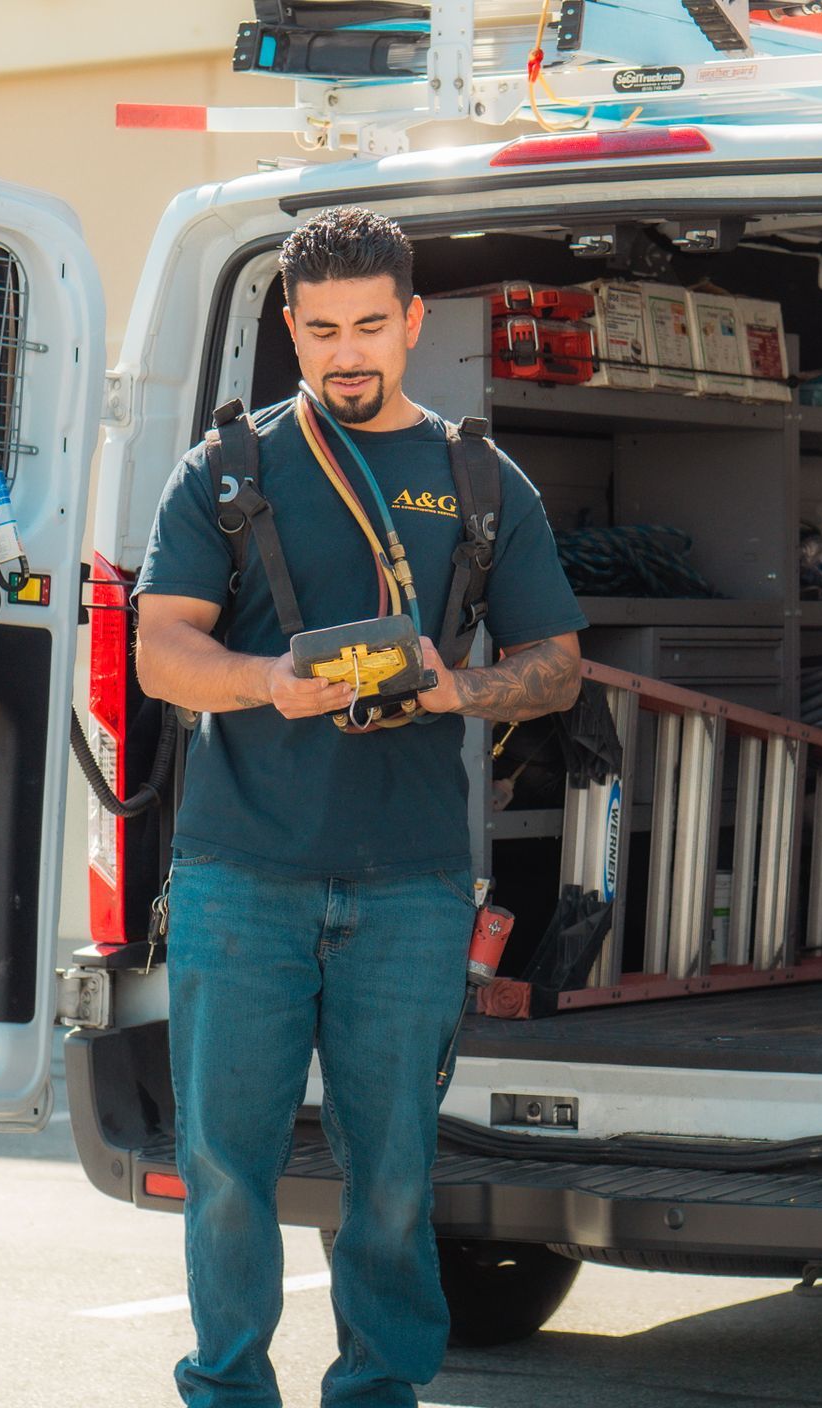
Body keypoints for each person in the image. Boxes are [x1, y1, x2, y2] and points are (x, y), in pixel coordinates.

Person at [132, 206, 587, 1408]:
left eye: (370, 326)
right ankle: (227, 1391)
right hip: (240, 878)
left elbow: (556, 664)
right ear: (288, 327)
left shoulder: (481, 478)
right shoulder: (225, 471)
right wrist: (266, 684)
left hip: (412, 888)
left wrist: (461, 684)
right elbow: (160, 652)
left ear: (412, 324)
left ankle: (380, 1393)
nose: (347, 351)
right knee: (227, 1167)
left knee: (392, 1172)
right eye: (322, 328)